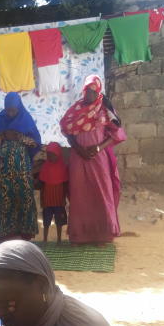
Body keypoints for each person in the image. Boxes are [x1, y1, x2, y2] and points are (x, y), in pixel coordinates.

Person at [60, 75, 126, 245]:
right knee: (79, 195)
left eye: (92, 91)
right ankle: (80, 235)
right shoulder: (75, 110)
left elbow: (116, 134)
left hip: (98, 157)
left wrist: (98, 147)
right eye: (87, 90)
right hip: (78, 157)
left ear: (97, 91)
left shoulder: (105, 109)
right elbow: (67, 131)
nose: (89, 94)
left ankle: (102, 235)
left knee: (101, 194)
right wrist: (78, 148)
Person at [0, 93, 41, 242]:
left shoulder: (26, 120)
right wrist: (2, 135)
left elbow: (35, 143)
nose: (10, 113)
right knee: (3, 200)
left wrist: (19, 137)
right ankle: (6, 234)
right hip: (1, 170)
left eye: (13, 110)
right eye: (8, 110)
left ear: (18, 107)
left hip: (21, 168)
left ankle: (25, 234)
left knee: (24, 197)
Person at [37, 142, 69, 244]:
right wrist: (42, 199)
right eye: (48, 155)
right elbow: (42, 186)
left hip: (59, 200)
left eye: (53, 154)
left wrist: (64, 198)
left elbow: (64, 185)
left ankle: (59, 239)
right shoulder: (45, 168)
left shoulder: (63, 168)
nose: (50, 157)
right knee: (46, 221)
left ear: (58, 154)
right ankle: (45, 239)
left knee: (59, 221)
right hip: (48, 200)